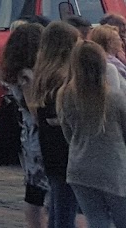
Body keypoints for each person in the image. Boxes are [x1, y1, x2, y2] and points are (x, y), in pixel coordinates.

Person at [59, 41, 126, 225]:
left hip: (79, 166)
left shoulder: (65, 96)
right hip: (114, 167)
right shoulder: (114, 98)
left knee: (96, 220)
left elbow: (68, 133)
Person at [28, 20, 84, 228]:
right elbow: (55, 116)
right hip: (64, 146)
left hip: (49, 145)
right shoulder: (62, 76)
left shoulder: (43, 73)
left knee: (58, 202)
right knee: (65, 205)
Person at [0, 21, 49, 228]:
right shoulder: (27, 74)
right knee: (38, 188)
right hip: (38, 134)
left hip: (28, 134)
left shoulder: (14, 71)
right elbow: (34, 108)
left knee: (34, 188)